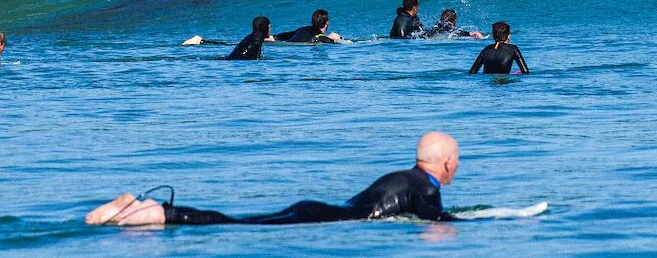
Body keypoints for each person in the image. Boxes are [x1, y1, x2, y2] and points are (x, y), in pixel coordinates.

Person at [85, 132, 460, 226]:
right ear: (444, 163)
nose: (456, 168)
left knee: (242, 222)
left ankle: (149, 208)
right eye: (456, 161)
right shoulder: (425, 185)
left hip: (315, 210)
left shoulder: (400, 176)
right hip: (322, 218)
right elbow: (436, 221)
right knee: (234, 225)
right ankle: (158, 215)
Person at [181, 17, 275, 58]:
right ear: (264, 27)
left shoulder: (251, 38)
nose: (270, 29)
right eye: (269, 27)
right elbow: (244, 57)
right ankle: (201, 41)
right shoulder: (255, 42)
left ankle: (201, 41)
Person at [273, 9, 342, 43]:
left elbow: (288, 34)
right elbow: (318, 38)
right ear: (326, 22)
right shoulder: (319, 35)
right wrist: (331, 39)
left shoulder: (306, 28)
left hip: (290, 40)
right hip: (301, 42)